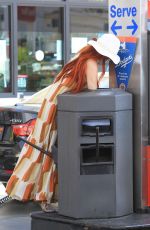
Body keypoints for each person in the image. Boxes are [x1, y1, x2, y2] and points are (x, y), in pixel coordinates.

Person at [6, 33, 120, 211]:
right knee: (51, 149)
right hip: (58, 107)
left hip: (52, 102)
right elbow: (92, 89)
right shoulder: (90, 62)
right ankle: (45, 196)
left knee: (43, 147)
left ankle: (33, 191)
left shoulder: (80, 58)